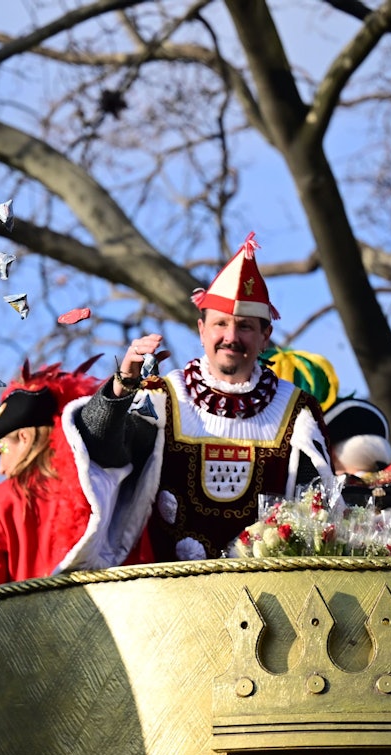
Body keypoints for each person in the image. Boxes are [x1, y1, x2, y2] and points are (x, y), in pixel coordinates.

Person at [60, 232, 335, 566]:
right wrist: (123, 383)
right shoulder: (163, 398)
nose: (231, 337)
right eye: (221, 324)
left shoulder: (297, 412)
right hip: (172, 597)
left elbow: (318, 516)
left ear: (266, 337)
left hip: (270, 599)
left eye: (245, 327)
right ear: (201, 330)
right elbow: (102, 449)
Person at [0, 360, 102, 587]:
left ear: (23, 438)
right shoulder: (98, 480)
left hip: (32, 621)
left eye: (2, 449)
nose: (1, 468)